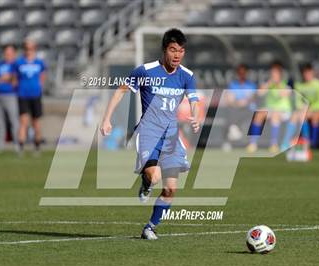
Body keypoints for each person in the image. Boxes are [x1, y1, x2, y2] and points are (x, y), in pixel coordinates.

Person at [99, 29, 200, 240]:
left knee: (171, 189)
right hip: (149, 133)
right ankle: (146, 183)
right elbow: (121, 91)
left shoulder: (186, 76)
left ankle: (150, 227)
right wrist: (107, 118)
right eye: (173, 50)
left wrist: (196, 116)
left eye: (181, 51)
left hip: (171, 136)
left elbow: (194, 101)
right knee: (154, 176)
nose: (177, 55)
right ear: (165, 49)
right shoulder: (146, 71)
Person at [247, 61, 291, 153]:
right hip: (270, 110)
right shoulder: (268, 84)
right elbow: (259, 93)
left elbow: (283, 94)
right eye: (272, 73)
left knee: (275, 114)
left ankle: (273, 144)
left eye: (276, 73)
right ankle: (252, 144)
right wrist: (269, 84)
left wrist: (277, 84)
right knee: (259, 114)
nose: (273, 75)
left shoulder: (286, 85)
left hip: (284, 111)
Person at [282, 63, 319, 149]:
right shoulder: (299, 85)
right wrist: (303, 108)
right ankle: (285, 143)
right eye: (305, 73)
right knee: (296, 115)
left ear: (312, 72)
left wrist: (310, 108)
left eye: (308, 73)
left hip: (317, 110)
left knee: (313, 117)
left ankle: (312, 143)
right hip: (304, 111)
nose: (307, 75)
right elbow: (298, 101)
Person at [14, 39, 47, 154]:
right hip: (23, 95)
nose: (29, 51)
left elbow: (42, 77)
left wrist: (39, 87)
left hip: (35, 95)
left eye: (31, 48)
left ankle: (37, 145)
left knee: (36, 122)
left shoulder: (39, 62)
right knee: (23, 121)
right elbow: (15, 78)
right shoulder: (19, 62)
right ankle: (21, 146)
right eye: (26, 48)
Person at [0, 45, 19, 152]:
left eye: (9, 53)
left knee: (13, 120)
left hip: (11, 95)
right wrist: (6, 77)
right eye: (6, 53)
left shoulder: (16, 64)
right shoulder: (0, 64)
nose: (7, 56)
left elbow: (16, 76)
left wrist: (9, 77)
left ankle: (17, 143)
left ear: (14, 54)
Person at [223, 64, 257, 151]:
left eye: (244, 72)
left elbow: (251, 99)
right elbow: (229, 99)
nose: (242, 74)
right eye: (240, 72)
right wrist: (237, 103)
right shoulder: (233, 85)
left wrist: (243, 102)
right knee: (230, 111)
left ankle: (251, 143)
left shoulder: (251, 85)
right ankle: (228, 140)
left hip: (248, 110)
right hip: (235, 109)